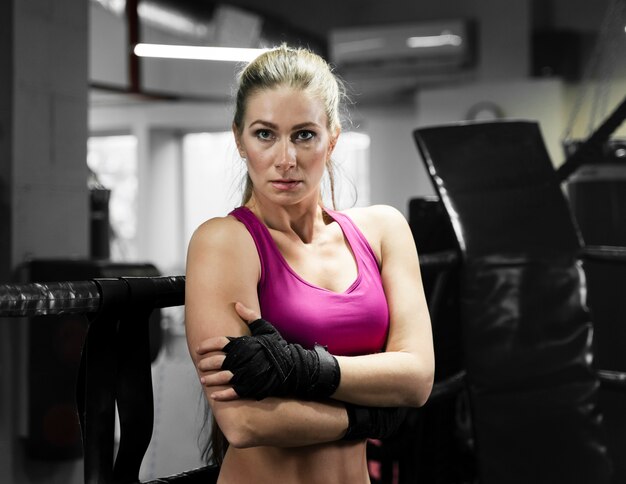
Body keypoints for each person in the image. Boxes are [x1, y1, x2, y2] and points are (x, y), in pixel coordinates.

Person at [184, 44, 434, 483]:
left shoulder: (383, 231)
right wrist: (366, 416)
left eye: (304, 134)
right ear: (239, 139)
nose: (286, 160)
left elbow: (416, 378)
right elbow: (245, 423)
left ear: (332, 137)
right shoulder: (225, 242)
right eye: (265, 134)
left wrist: (300, 368)